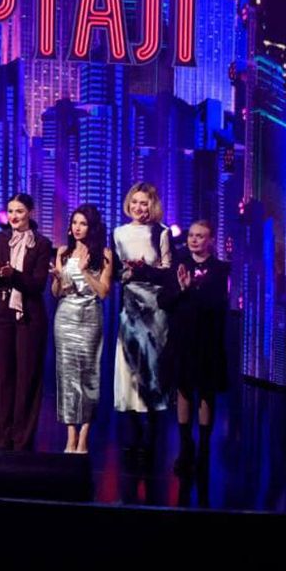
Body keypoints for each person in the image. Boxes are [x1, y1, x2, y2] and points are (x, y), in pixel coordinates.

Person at [0, 193, 52, 451]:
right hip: (2, 311)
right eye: (10, 211)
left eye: (19, 211)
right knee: (4, 373)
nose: (14, 216)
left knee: (27, 375)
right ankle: (2, 434)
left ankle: (22, 436)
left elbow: (38, 284)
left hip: (29, 314)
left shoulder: (41, 244)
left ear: (30, 212)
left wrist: (14, 274)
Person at [158, 219, 230, 476]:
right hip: (182, 337)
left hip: (208, 338)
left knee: (206, 392)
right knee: (184, 390)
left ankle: (205, 449)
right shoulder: (178, 264)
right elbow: (163, 301)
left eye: (200, 236)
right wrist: (181, 289)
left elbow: (219, 303)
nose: (194, 240)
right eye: (191, 236)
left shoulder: (220, 269)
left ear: (210, 240)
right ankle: (185, 447)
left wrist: (193, 290)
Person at [114, 181, 172, 466]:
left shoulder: (161, 232)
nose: (139, 207)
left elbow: (168, 272)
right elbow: (115, 271)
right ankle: (134, 433)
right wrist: (126, 273)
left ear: (153, 205)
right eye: (135, 202)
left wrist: (145, 270)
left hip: (154, 309)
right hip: (130, 307)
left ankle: (151, 436)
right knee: (129, 370)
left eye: (144, 203)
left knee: (152, 370)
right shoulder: (119, 233)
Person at [51, 205, 113, 454]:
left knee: (88, 376)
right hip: (65, 317)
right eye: (74, 222)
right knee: (67, 377)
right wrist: (57, 278)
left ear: (92, 227)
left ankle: (84, 436)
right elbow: (57, 293)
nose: (77, 228)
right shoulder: (63, 252)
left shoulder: (104, 254)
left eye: (83, 223)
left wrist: (85, 271)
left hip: (90, 317)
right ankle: (70, 436)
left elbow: (104, 292)